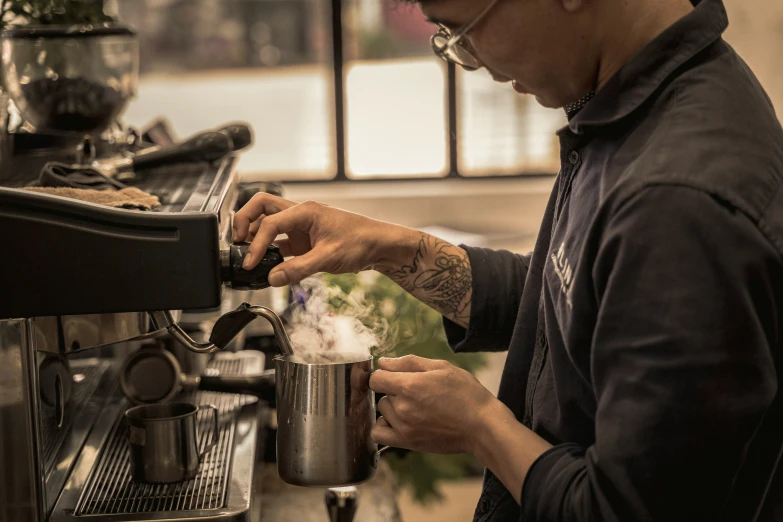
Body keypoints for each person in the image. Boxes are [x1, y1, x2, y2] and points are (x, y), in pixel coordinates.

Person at [234, 0, 783, 519]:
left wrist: (479, 426)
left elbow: (622, 510)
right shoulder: (630, 105)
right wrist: (385, 246)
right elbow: (574, 304)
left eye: (464, 29)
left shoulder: (678, 201)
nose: (472, 63)